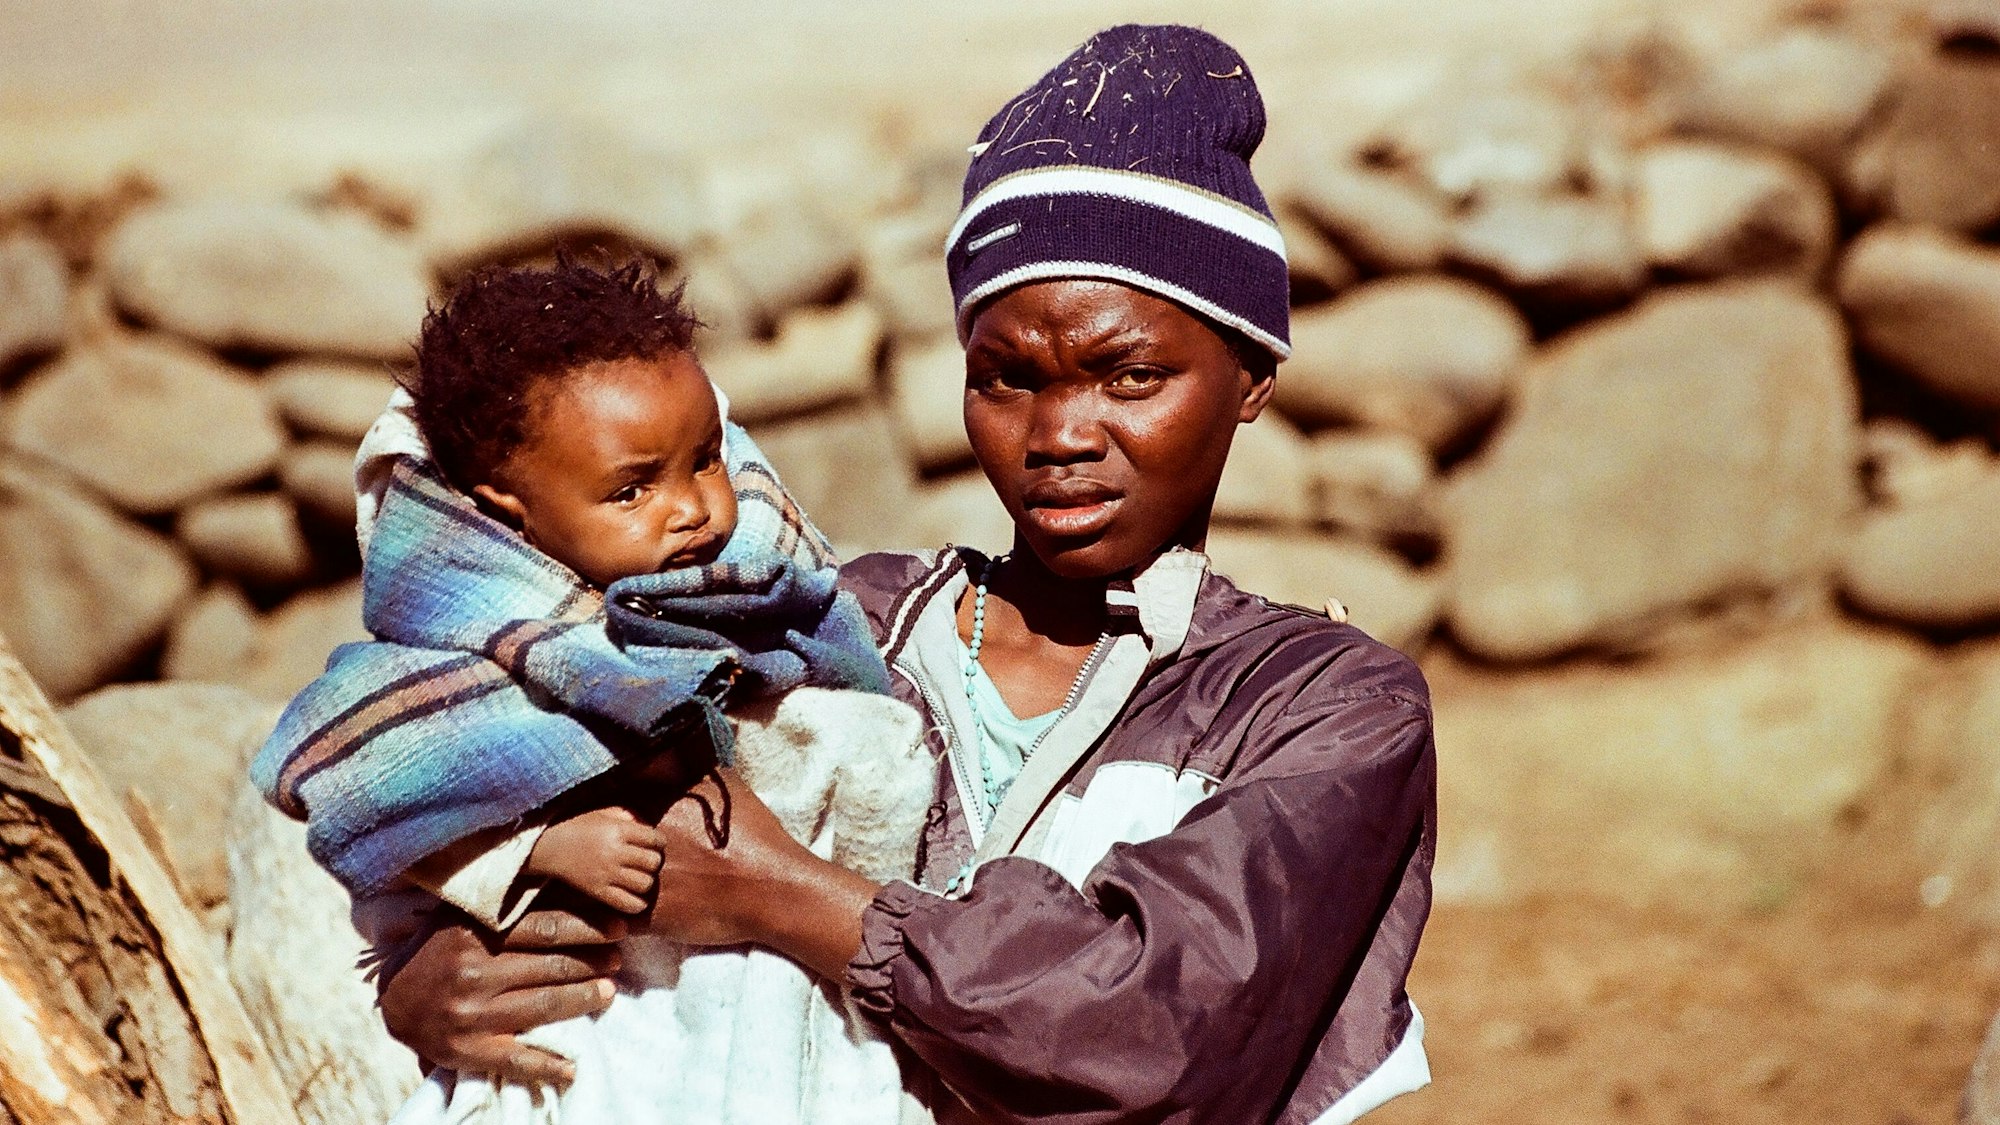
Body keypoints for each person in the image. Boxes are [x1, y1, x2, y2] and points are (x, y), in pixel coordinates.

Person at [371, 24, 1436, 1125]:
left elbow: (1148, 1037)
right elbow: (488, 786)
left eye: (1130, 374)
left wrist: (779, 895)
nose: (1060, 431)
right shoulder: (826, 623)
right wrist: (430, 974)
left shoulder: (1320, 708)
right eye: (1004, 378)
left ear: (1250, 374)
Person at [252, 258, 933, 1124]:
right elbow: (373, 804)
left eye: (707, 461)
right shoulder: (461, 662)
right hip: (596, 1022)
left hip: (789, 985)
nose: (691, 508)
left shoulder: (764, 600)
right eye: (632, 488)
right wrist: (537, 851)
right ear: (509, 507)